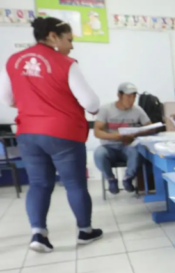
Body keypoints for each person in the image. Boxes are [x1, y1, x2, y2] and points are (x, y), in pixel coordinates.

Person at [0, 17, 103, 252]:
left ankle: (39, 235)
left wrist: (33, 106)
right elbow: (90, 102)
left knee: (38, 184)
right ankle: (85, 231)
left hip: (28, 132)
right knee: (75, 184)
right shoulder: (65, 63)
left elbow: (6, 99)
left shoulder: (13, 61)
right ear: (53, 37)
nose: (72, 45)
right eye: (69, 39)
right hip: (63, 133)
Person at [93, 82, 152, 194]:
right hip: (108, 146)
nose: (132, 100)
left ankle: (128, 179)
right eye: (128, 97)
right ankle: (111, 180)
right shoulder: (106, 109)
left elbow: (150, 127)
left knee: (136, 152)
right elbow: (97, 131)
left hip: (128, 146)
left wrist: (136, 134)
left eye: (134, 97)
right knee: (99, 154)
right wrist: (116, 136)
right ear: (119, 95)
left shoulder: (137, 110)